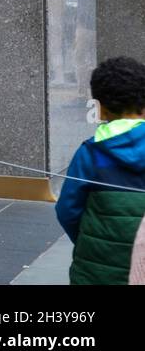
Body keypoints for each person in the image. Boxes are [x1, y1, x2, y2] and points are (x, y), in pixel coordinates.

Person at [56, 55, 145, 285]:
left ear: (101, 108)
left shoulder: (91, 153)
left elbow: (67, 209)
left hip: (95, 274)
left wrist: (90, 242)